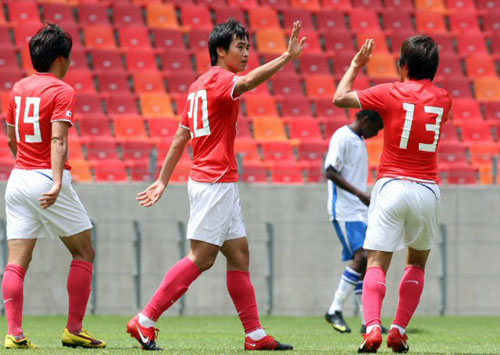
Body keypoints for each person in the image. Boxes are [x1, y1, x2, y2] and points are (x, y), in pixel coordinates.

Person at [126, 19, 306, 351]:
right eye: (240, 47)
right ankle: (145, 319)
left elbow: (182, 136)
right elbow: (249, 82)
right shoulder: (222, 81)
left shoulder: (197, 85)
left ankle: (254, 335)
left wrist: (162, 180)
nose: (246, 53)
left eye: (248, 47)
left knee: (239, 255)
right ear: (220, 51)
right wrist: (286, 57)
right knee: (202, 257)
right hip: (215, 181)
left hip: (214, 180)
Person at [333, 35, 452, 353]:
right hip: (427, 189)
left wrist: (357, 64)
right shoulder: (444, 98)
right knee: (416, 264)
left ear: (404, 65)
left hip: (391, 185)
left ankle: (372, 328)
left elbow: (340, 97)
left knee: (376, 261)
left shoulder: (389, 92)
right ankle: (398, 330)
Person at [2, 24, 106, 349]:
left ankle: (14, 333)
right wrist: (57, 180)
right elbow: (59, 139)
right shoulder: (62, 90)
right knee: (84, 250)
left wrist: (27, 166)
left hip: (17, 179)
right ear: (62, 58)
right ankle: (74, 329)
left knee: (17, 261)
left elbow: (11, 138)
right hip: (46, 178)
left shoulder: (17, 88)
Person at [324, 110, 383, 334]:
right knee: (363, 258)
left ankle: (367, 321)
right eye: (375, 129)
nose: (375, 134)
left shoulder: (358, 141)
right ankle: (334, 309)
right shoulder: (343, 137)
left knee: (366, 263)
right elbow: (330, 172)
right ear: (366, 120)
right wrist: (360, 194)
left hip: (358, 211)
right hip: (345, 210)